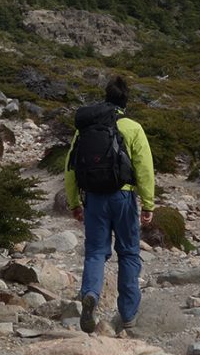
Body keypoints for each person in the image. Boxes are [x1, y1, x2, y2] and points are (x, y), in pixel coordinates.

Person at [64, 75, 155, 334]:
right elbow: (145, 168)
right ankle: (128, 315)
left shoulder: (85, 128)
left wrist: (73, 202)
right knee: (127, 253)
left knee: (95, 252)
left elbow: (70, 168)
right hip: (123, 197)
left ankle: (90, 294)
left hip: (93, 198)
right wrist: (148, 203)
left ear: (106, 97)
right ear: (126, 100)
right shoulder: (133, 127)